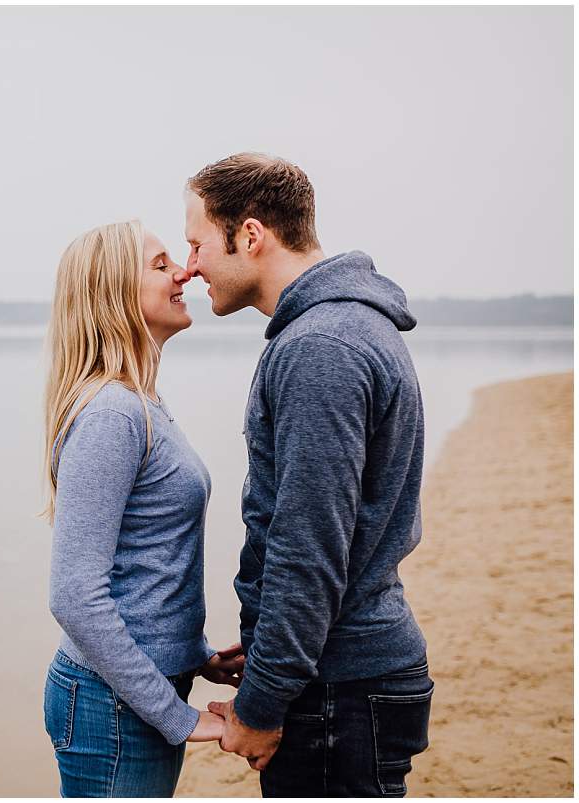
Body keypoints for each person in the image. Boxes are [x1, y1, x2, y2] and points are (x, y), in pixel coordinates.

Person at [183, 153, 433, 797]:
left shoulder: (321, 348)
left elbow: (309, 547)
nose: (190, 266)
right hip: (335, 671)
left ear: (251, 235)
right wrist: (266, 647)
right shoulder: (340, 331)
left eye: (197, 243)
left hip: (339, 688)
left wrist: (264, 704)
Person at [42, 220, 244, 798]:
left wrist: (196, 655)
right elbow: (75, 596)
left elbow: (144, 566)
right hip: (111, 705)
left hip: (134, 693)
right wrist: (180, 719)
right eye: (160, 265)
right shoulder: (113, 414)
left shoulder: (140, 403)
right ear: (112, 292)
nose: (183, 271)